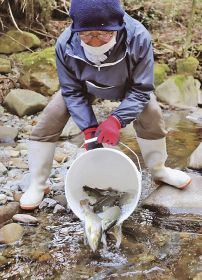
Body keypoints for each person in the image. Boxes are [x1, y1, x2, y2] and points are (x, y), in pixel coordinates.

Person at [20, 0, 191, 210]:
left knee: (152, 112)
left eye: (103, 34)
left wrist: (116, 120)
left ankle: (159, 170)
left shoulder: (138, 37)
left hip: (127, 86)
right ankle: (38, 184)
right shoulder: (65, 44)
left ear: (117, 26)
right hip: (84, 86)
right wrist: (90, 128)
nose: (94, 42)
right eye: (86, 34)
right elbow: (71, 91)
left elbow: (141, 89)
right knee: (49, 118)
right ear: (76, 29)